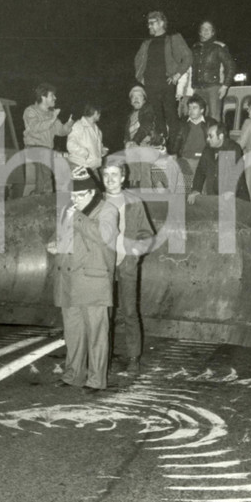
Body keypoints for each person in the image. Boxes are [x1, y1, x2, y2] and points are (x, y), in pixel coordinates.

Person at [47, 167, 119, 394]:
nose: (73, 199)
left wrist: (77, 217)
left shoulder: (107, 210)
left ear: (92, 193)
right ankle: (73, 374)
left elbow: (103, 236)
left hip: (92, 281)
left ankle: (96, 380)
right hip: (68, 280)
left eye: (78, 195)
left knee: (97, 334)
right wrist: (54, 244)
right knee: (73, 332)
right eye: (72, 195)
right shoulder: (69, 209)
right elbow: (61, 236)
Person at [101, 158, 154, 377]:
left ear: (123, 177)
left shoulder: (134, 202)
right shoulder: (96, 202)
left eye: (115, 175)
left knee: (130, 312)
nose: (110, 179)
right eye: (106, 175)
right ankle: (104, 356)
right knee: (105, 313)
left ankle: (133, 358)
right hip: (102, 265)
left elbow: (147, 234)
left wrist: (135, 253)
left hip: (127, 265)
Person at [134, 10, 192, 149]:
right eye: (148, 24)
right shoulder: (147, 42)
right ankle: (161, 145)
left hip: (167, 83)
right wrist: (140, 77)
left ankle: (175, 148)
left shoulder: (173, 38)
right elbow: (137, 60)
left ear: (161, 23)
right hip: (150, 84)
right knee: (156, 116)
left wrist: (177, 75)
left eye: (152, 23)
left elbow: (188, 57)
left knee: (171, 114)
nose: (149, 27)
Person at [22, 83, 73, 196]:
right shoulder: (30, 110)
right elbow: (35, 128)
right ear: (43, 97)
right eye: (52, 95)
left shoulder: (51, 114)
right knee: (45, 172)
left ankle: (41, 197)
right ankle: (46, 196)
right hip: (34, 147)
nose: (55, 98)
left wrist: (68, 125)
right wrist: (53, 118)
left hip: (46, 150)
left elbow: (60, 131)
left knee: (48, 170)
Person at [188, 122, 250, 203]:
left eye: (211, 136)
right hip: (215, 197)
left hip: (236, 197)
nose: (207, 139)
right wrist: (196, 189)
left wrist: (230, 191)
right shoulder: (208, 149)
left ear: (221, 136)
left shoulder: (233, 148)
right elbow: (200, 171)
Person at [190, 20, 236, 121]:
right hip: (197, 89)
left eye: (208, 29)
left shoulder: (219, 47)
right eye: (203, 29)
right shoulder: (195, 48)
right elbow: (190, 68)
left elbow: (231, 66)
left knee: (214, 118)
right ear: (199, 32)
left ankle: (216, 136)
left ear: (213, 32)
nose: (205, 31)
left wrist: (225, 86)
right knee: (196, 118)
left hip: (214, 88)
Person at [171, 94, 216, 192]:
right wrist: (174, 153)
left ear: (202, 110)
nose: (190, 111)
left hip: (203, 162)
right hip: (186, 160)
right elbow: (177, 140)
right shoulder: (182, 123)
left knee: (200, 193)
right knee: (183, 191)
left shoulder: (210, 123)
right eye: (189, 108)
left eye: (194, 108)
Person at [122, 85, 163, 190]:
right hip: (135, 147)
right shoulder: (130, 115)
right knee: (133, 171)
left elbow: (146, 125)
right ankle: (135, 192)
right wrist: (127, 142)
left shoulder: (148, 110)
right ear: (130, 101)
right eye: (133, 97)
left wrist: (134, 141)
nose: (136, 99)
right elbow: (127, 134)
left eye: (139, 96)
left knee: (145, 169)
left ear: (144, 100)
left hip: (147, 145)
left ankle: (147, 195)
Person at [66, 102, 108, 183]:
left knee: (98, 192)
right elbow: (70, 145)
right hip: (80, 168)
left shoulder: (97, 130)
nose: (100, 115)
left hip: (93, 168)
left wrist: (102, 150)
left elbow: (96, 146)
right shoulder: (78, 126)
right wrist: (84, 153)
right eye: (99, 113)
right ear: (95, 113)